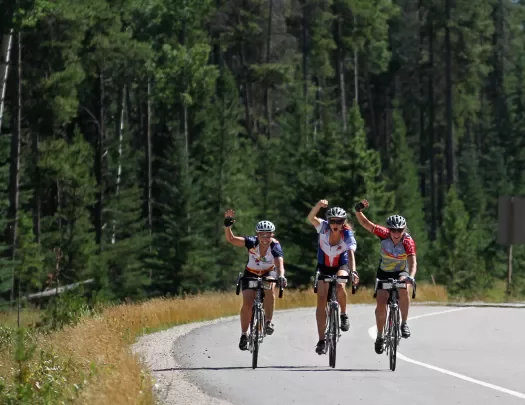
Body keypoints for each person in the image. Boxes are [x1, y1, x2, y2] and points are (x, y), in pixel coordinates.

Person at [353, 199, 417, 354]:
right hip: (384, 272)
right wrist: (357, 210)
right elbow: (366, 224)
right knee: (381, 302)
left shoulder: (407, 241)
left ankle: (404, 323)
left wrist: (411, 276)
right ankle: (380, 336)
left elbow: (412, 261)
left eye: (399, 230)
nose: (396, 233)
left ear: (404, 230)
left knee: (404, 289)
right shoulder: (383, 234)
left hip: (401, 271)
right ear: (389, 230)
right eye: (393, 230)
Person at [223, 209, 287, 351]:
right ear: (257, 235)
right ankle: (244, 334)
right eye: (262, 235)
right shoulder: (251, 242)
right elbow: (232, 239)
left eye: (268, 235)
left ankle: (269, 322)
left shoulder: (275, 246)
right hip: (251, 272)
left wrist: (281, 276)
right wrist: (228, 226)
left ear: (272, 235)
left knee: (270, 287)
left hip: (268, 272)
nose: (265, 238)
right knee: (247, 302)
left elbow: (279, 263)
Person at [307, 199, 359, 355]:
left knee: (341, 284)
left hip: (340, 265)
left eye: (339, 221)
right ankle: (322, 340)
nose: (335, 223)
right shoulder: (322, 227)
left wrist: (354, 271)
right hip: (324, 266)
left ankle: (343, 314)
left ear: (344, 222)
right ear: (328, 221)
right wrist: (318, 205)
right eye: (332, 220)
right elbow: (310, 218)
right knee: (321, 300)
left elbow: (350, 253)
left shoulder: (347, 233)